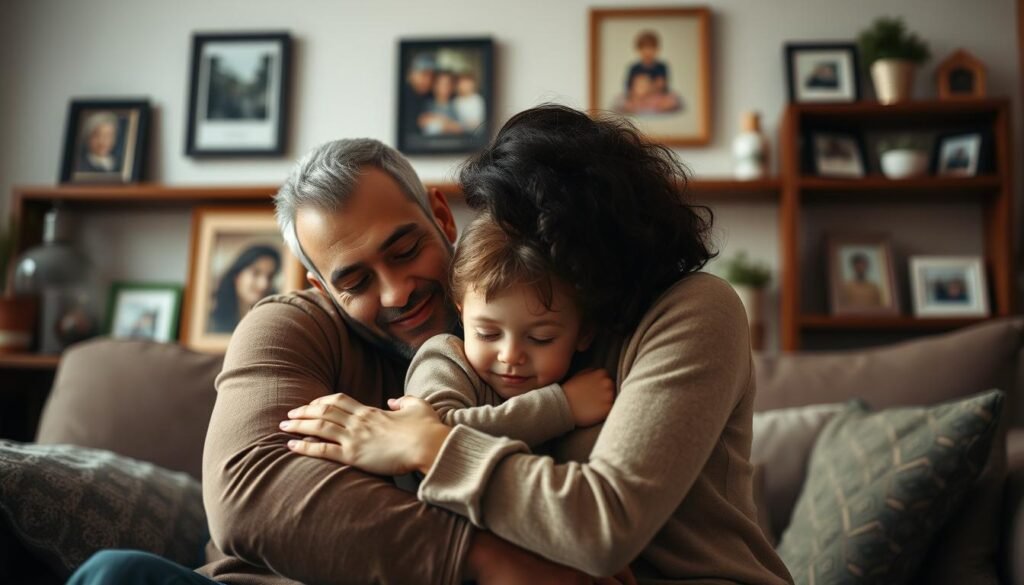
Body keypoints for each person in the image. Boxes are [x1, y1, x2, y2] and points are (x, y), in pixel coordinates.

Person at [68, 137, 619, 584]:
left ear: (442, 219)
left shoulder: (534, 318)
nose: (397, 291)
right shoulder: (286, 326)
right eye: (355, 280)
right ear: (321, 288)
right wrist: (490, 561)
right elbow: (248, 494)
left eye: (405, 251)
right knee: (114, 575)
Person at [282, 105, 794, 583]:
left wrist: (429, 444)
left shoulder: (697, 309)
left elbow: (604, 526)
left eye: (525, 228)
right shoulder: (492, 338)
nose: (513, 248)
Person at [403, 212, 615, 457]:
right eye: (488, 334)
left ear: (584, 333)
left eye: (540, 338)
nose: (510, 356)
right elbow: (429, 434)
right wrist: (562, 407)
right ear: (462, 315)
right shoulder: (442, 359)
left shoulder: (583, 381)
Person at [207, 243, 282, 333]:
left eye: (270, 277)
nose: (264, 285)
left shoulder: (274, 323)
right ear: (237, 277)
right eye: (256, 273)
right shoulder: (212, 323)